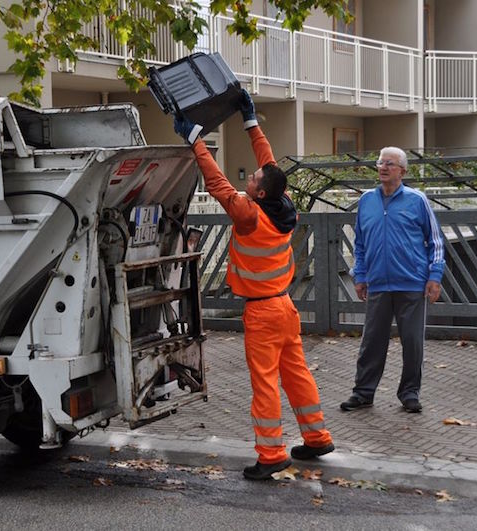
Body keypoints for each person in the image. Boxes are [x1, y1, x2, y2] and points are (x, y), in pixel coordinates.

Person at [173, 89, 335, 480]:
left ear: (259, 192)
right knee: (296, 374)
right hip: (285, 307)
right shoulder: (285, 206)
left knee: (265, 384)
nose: (252, 175)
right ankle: (317, 438)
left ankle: (271, 454)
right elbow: (270, 163)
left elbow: (217, 184)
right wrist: (250, 122)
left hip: (262, 312)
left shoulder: (249, 216)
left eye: (255, 179)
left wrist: (194, 140)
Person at [342, 147, 445, 414]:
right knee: (372, 342)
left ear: (403, 170)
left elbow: (435, 241)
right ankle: (363, 392)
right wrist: (360, 275)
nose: (383, 167)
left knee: (412, 342)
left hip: (411, 283)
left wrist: (434, 276)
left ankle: (410, 393)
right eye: (380, 162)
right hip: (378, 284)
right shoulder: (367, 201)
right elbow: (360, 243)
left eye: (390, 163)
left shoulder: (417, 200)